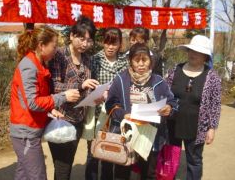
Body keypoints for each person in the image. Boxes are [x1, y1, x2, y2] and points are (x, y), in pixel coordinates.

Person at [10, 26, 81, 180]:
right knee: (38, 175)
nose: (56, 50)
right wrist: (63, 97)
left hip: (30, 129)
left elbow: (39, 98)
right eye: (54, 46)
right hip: (25, 132)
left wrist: (50, 111)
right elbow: (33, 102)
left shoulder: (39, 64)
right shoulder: (29, 66)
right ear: (41, 45)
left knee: (23, 173)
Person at [105, 43, 178, 180]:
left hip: (151, 137)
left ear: (150, 62)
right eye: (136, 60)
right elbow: (110, 104)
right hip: (127, 134)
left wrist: (169, 108)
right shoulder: (120, 79)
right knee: (122, 172)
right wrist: (123, 114)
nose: (141, 64)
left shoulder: (159, 81)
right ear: (130, 62)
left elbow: (173, 102)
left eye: (144, 60)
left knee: (148, 174)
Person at [49, 15, 100, 180]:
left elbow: (87, 88)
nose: (85, 44)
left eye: (89, 40)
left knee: (67, 163)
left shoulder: (87, 59)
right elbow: (55, 86)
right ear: (71, 35)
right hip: (61, 118)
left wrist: (97, 95)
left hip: (78, 119)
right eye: (81, 38)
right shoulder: (59, 55)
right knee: (62, 167)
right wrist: (80, 85)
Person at [166, 35, 221, 180]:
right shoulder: (175, 70)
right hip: (172, 123)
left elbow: (215, 104)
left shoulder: (212, 76)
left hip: (196, 126)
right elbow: (164, 92)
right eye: (191, 50)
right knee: (170, 158)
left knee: (194, 161)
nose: (193, 54)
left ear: (205, 57)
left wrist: (211, 128)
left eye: (198, 52)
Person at [84, 27, 128, 180]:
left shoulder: (125, 62)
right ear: (102, 42)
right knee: (93, 152)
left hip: (114, 114)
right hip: (96, 113)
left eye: (114, 43)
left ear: (120, 44)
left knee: (110, 152)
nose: (110, 47)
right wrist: (94, 95)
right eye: (107, 42)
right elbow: (87, 85)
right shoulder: (94, 60)